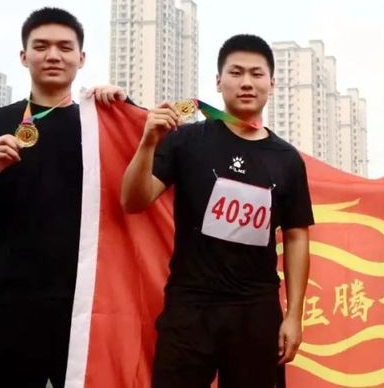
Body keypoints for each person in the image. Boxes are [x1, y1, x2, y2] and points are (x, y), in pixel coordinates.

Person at [120, 34, 312, 388]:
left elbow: (297, 236)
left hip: (256, 310)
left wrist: (294, 316)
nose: (246, 82)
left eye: (256, 74)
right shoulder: (186, 140)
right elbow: (133, 201)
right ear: (218, 81)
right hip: (190, 307)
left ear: (272, 83)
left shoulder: (287, 159)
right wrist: (148, 142)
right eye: (236, 72)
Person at [0, 7, 126, 387]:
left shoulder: (101, 126)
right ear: (23, 56)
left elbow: (146, 177)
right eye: (41, 46)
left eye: (65, 47)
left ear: (81, 58)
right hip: (8, 305)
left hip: (85, 307)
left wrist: (125, 110)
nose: (53, 56)